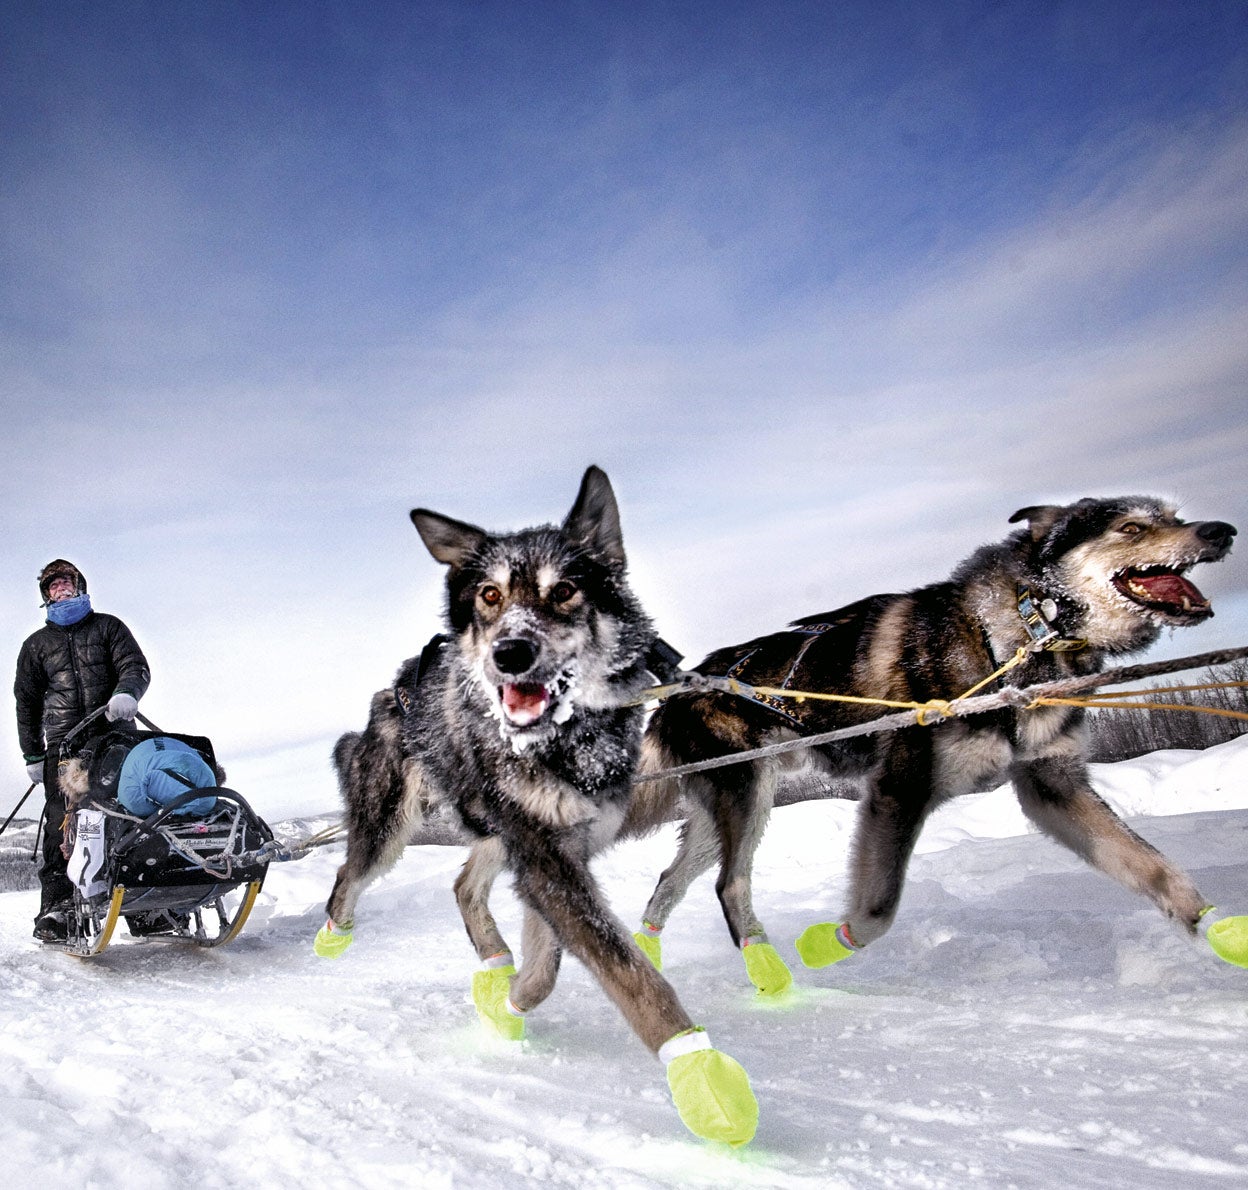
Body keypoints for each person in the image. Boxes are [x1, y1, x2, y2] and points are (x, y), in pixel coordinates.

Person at [13, 560, 151, 941]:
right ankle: (58, 911)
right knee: (63, 826)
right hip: (63, 746)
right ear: (46, 596)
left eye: (66, 582)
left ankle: (148, 908)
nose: (61, 589)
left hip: (115, 738)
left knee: (131, 817)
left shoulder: (108, 627)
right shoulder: (36, 646)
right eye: (53, 586)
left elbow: (134, 665)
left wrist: (127, 693)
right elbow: (26, 703)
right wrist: (32, 754)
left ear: (79, 585)